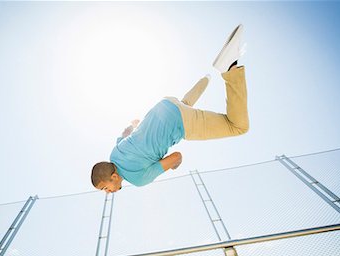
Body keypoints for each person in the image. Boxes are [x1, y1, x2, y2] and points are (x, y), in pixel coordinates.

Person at [91, 24, 249, 193]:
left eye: (105, 188)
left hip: (179, 122)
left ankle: (230, 68)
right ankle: (205, 79)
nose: (108, 192)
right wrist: (134, 124)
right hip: (165, 106)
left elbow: (176, 157)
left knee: (238, 127)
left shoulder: (138, 179)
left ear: (113, 177)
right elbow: (124, 133)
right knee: (184, 104)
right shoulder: (114, 153)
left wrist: (175, 164)